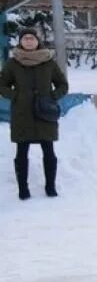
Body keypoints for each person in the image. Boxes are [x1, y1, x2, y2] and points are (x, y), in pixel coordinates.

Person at [1, 28, 67, 199]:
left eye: (32, 38)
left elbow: (62, 85)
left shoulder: (49, 62)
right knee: (21, 153)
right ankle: (23, 189)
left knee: (49, 152)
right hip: (22, 114)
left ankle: (50, 187)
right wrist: (16, 96)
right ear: (20, 41)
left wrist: (52, 97)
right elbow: (2, 85)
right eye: (25, 38)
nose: (29, 41)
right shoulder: (12, 63)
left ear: (38, 41)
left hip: (45, 113)